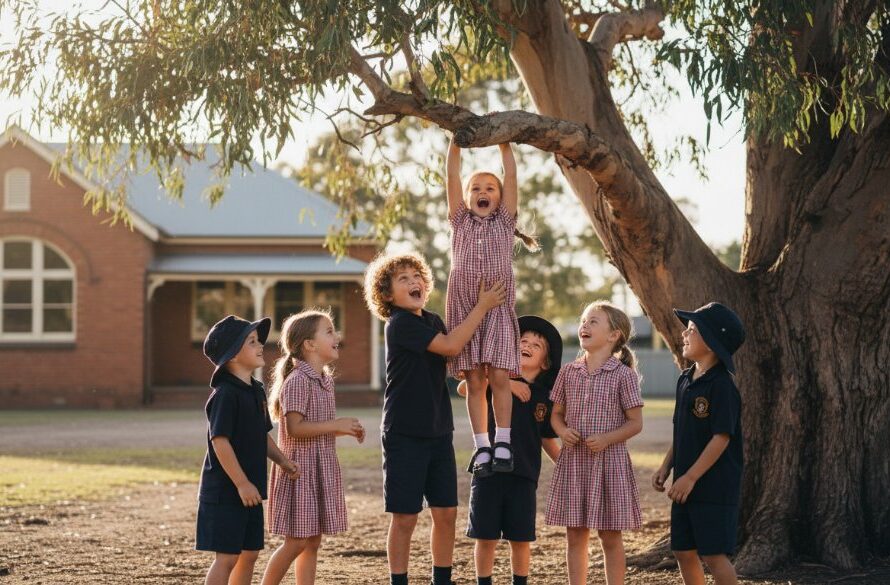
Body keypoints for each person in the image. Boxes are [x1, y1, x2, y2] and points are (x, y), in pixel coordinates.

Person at [363, 251, 505, 585]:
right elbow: (452, 346)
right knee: (405, 517)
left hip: (439, 430)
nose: (414, 282)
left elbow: (448, 361)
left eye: (418, 276)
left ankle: (441, 579)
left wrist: (475, 382)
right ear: (386, 295)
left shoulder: (431, 320)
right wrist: (482, 306)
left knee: (446, 513)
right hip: (404, 433)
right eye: (403, 279)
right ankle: (399, 580)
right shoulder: (400, 324)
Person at [445, 136, 538, 476]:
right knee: (474, 380)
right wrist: (455, 142)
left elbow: (511, 177)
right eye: (476, 189)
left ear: (499, 199)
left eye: (490, 188)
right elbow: (452, 176)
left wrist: (504, 145)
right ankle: (482, 445)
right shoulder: (459, 221)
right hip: (465, 307)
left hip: (497, 306)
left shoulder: (504, 221)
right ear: (467, 198)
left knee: (499, 374)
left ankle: (503, 441)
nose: (482, 192)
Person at [261, 309, 365, 585]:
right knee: (296, 542)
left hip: (319, 467)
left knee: (312, 542)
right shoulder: (297, 381)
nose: (337, 336)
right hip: (299, 471)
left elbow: (318, 426)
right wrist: (336, 425)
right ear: (309, 345)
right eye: (329, 331)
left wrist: (346, 429)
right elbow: (295, 428)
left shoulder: (324, 380)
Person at [458, 315, 563, 585]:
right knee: (485, 536)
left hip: (524, 476)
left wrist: (566, 466)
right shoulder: (496, 381)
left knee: (520, 538)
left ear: (546, 361)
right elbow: (464, 387)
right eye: (522, 340)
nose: (527, 344)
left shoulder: (545, 399)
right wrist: (507, 383)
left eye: (536, 345)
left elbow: (547, 440)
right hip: (488, 472)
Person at [196, 315, 300, 585]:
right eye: (251, 341)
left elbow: (261, 435)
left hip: (250, 489)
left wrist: (282, 461)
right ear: (232, 355)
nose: (260, 345)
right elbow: (220, 441)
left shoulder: (255, 390)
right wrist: (241, 483)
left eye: (258, 340)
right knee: (227, 557)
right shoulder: (224, 394)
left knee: (249, 553)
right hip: (226, 490)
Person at [546, 302, 644, 585]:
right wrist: (562, 432)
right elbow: (556, 416)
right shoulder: (568, 372)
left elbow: (636, 423)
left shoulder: (623, 375)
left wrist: (606, 439)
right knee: (575, 533)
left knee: (610, 535)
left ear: (614, 335)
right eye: (584, 321)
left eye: (593, 321)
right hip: (574, 462)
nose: (584, 326)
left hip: (609, 463)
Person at [651, 302, 746, 585]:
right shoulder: (685, 379)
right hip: (683, 485)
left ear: (713, 341)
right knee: (682, 550)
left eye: (692, 330)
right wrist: (666, 466)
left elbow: (722, 437)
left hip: (713, 486)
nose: (684, 334)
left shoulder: (722, 386)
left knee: (714, 555)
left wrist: (691, 477)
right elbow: (680, 431)